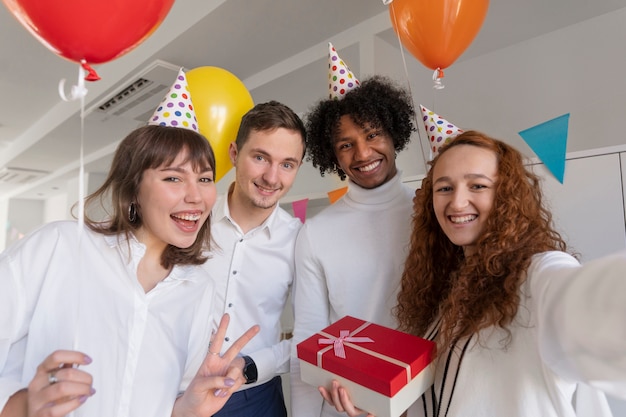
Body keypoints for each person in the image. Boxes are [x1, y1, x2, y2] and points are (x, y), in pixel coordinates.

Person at [324, 130, 626, 416]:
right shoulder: (444, 292)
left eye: (478, 185)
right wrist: (376, 405)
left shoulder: (538, 277)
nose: (457, 202)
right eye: (444, 188)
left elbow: (593, 303)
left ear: (507, 196)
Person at [0, 124, 259, 417]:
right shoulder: (59, 246)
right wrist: (19, 407)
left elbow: (163, 405)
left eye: (205, 179)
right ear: (133, 187)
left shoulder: (198, 288)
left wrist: (188, 409)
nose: (196, 196)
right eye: (173, 177)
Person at [290, 75, 417, 417]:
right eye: (346, 144)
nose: (362, 153)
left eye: (373, 134)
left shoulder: (432, 214)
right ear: (332, 155)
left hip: (427, 399)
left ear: (393, 133)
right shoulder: (316, 232)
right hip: (349, 405)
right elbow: (308, 339)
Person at [201, 101, 306, 417]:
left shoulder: (300, 241)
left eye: (287, 164)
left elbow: (309, 337)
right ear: (234, 153)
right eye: (260, 158)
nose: (272, 177)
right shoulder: (191, 221)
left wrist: (248, 366)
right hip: (177, 394)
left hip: (255, 399)